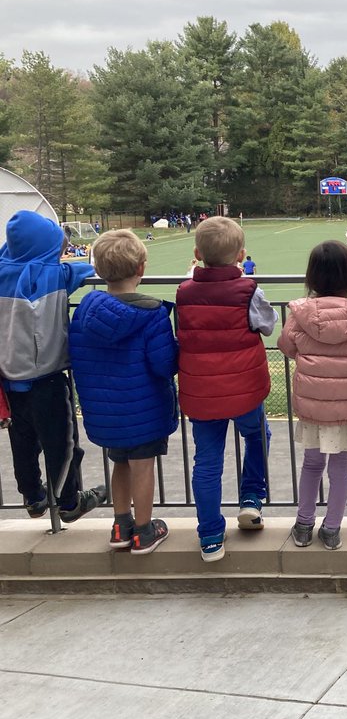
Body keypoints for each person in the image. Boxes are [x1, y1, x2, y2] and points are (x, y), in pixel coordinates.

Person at [68, 229, 177, 554]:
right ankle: (144, 530)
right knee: (143, 466)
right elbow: (163, 364)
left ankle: (121, 524)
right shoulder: (153, 313)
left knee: (120, 465)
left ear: (98, 270)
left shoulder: (85, 310)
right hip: (144, 410)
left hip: (105, 412)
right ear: (141, 268)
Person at [177, 216, 277, 562]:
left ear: (196, 253)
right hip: (245, 388)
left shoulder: (184, 291)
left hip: (202, 392)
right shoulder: (249, 290)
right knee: (257, 436)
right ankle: (251, 497)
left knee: (206, 462)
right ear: (241, 256)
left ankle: (210, 536)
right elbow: (266, 325)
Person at [0, 211, 106, 521]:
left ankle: (33, 497)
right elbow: (89, 269)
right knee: (62, 442)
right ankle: (69, 502)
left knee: (23, 443)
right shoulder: (55, 275)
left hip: (9, 379)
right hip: (47, 378)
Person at [279, 241, 347, 551]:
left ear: (312, 277)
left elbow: (287, 347)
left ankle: (303, 524)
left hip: (313, 406)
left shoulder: (299, 313)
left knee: (312, 464)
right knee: (341, 467)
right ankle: (332, 528)